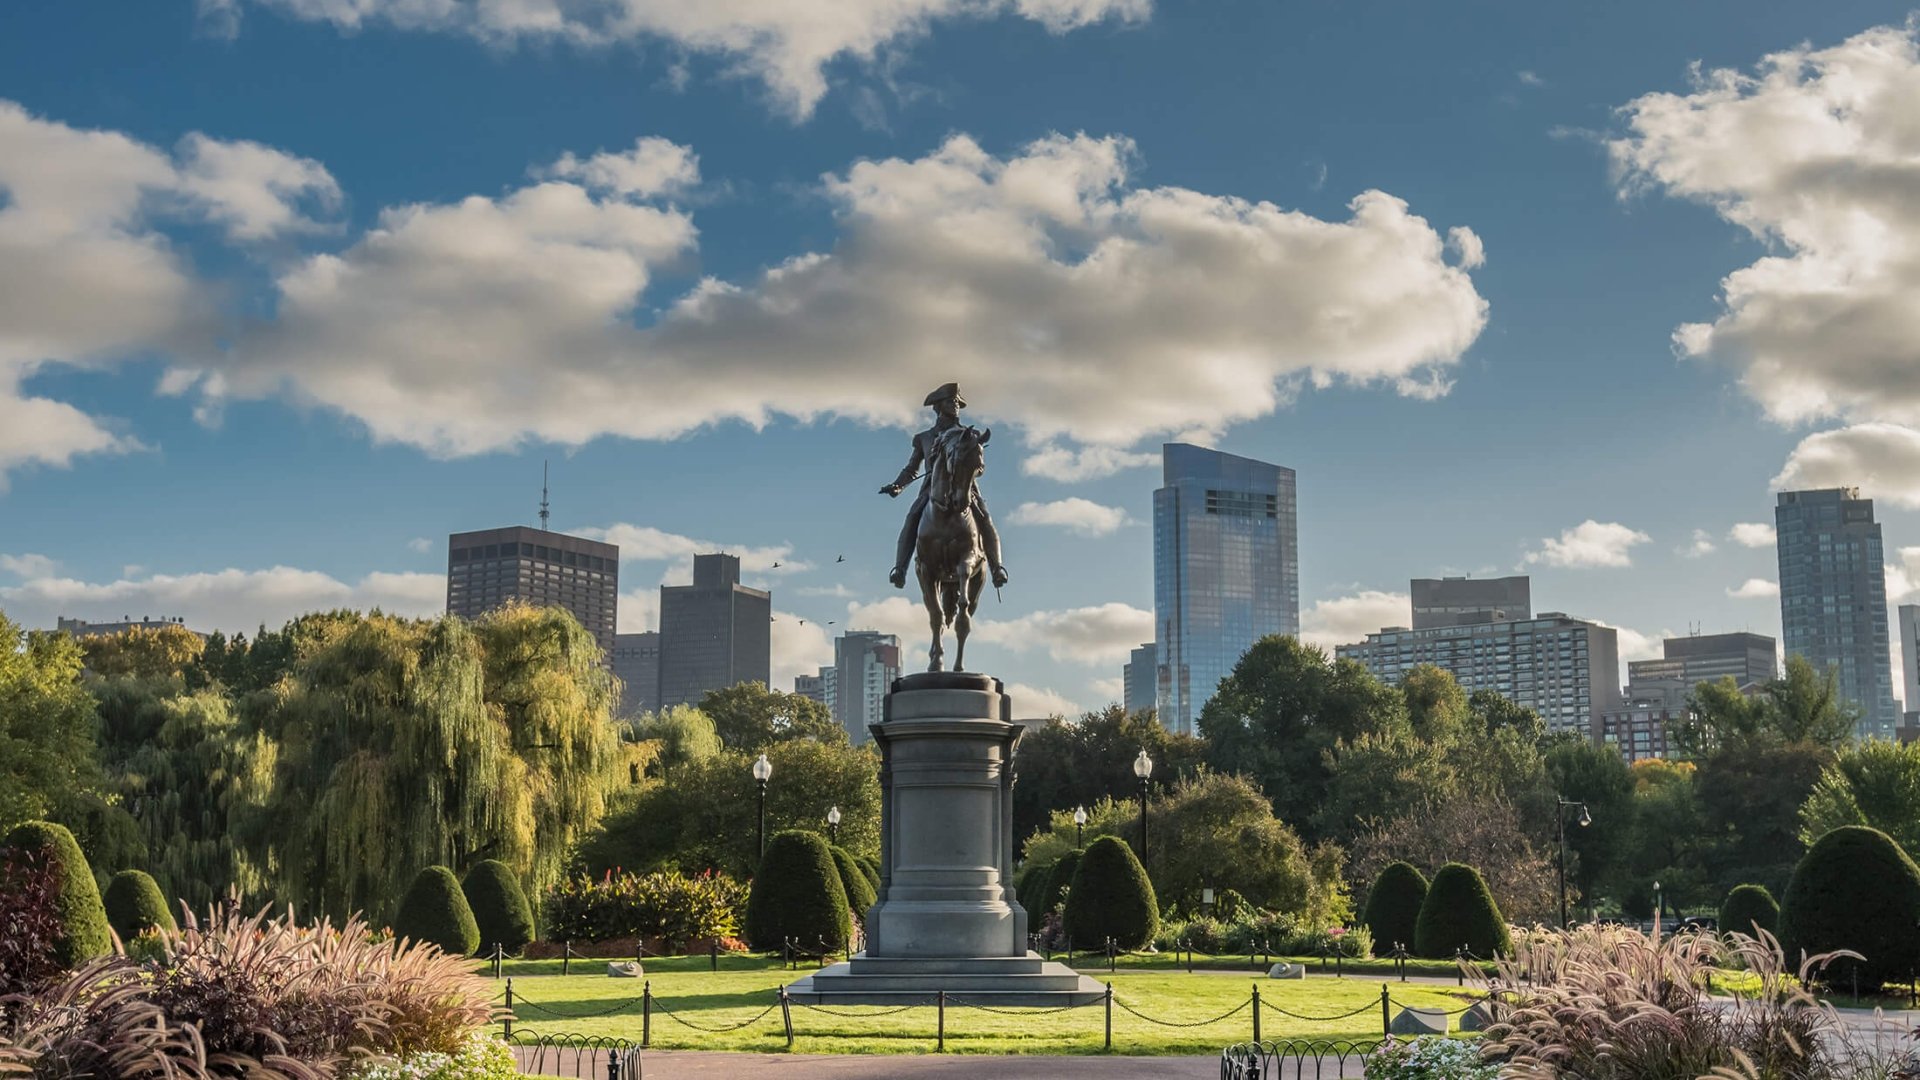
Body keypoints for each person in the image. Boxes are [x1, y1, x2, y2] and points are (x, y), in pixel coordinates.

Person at [879, 383, 1008, 590]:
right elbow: (912, 469)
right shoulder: (924, 438)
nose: (956, 405)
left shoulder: (969, 435)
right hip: (932, 490)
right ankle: (899, 569)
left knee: (985, 517)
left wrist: (969, 470)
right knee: (912, 517)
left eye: (958, 402)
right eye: (951, 402)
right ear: (938, 406)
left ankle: (997, 568)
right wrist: (897, 486)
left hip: (965, 489)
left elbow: (979, 468)